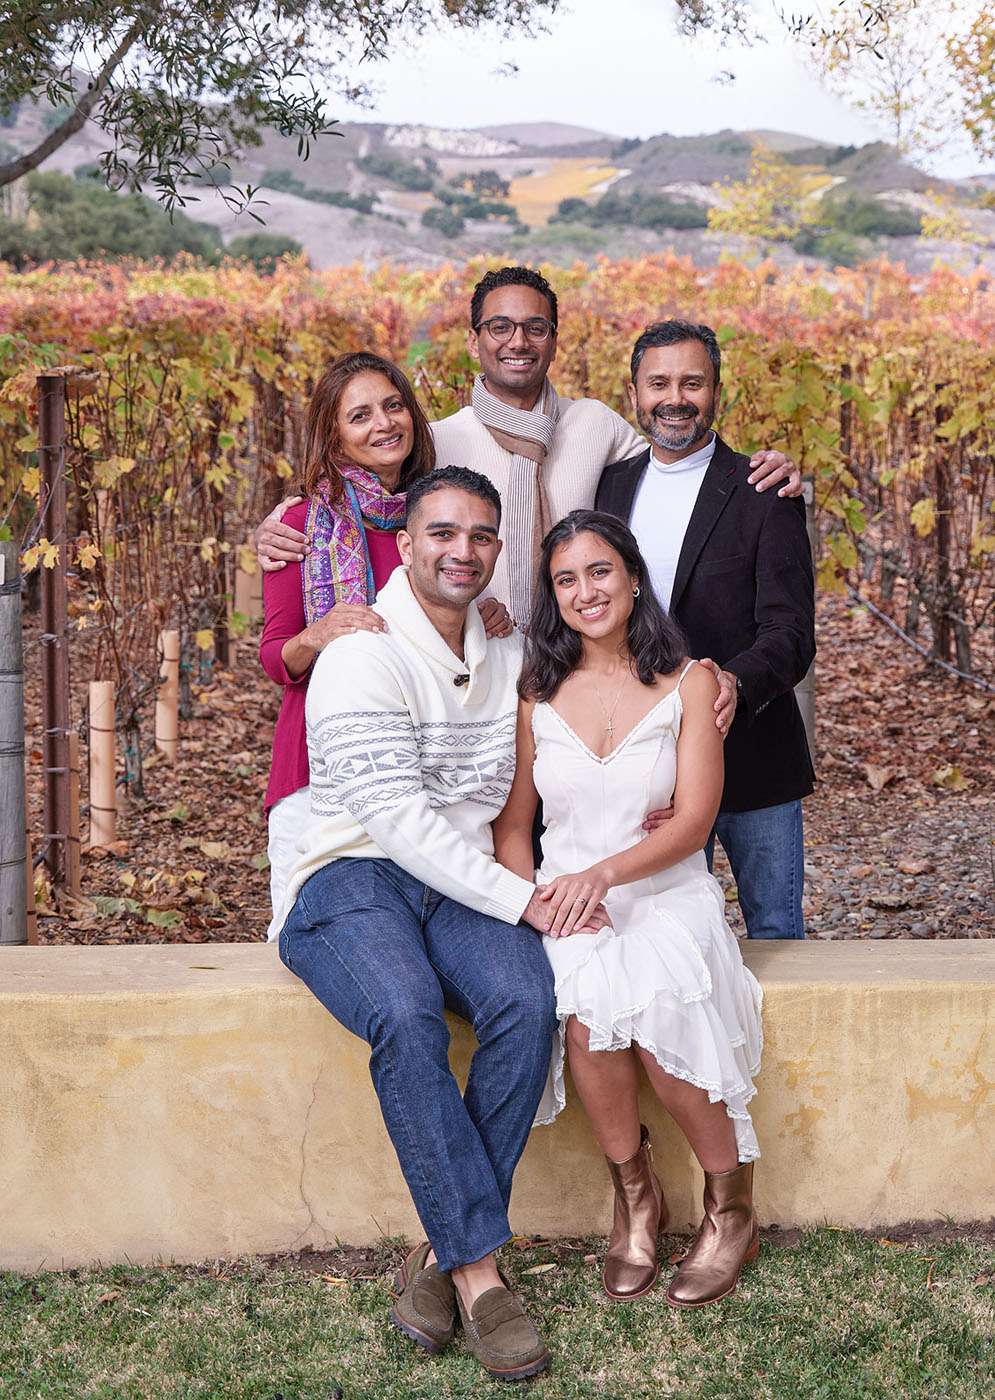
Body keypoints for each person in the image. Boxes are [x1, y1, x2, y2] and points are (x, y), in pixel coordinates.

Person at [275, 467, 602, 1380]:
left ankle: (436, 1254)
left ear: (498, 552)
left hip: (457, 885)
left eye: (481, 537)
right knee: (408, 1013)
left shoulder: (504, 648)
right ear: (408, 542)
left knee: (521, 1001)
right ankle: (480, 1276)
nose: (462, 551)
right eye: (443, 534)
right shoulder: (361, 653)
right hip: (347, 881)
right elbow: (398, 823)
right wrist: (522, 899)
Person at [493, 510, 764, 1309]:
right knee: (587, 1022)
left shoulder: (691, 683)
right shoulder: (534, 692)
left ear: (633, 576)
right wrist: (539, 902)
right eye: (566, 579)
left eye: (599, 571)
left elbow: (692, 822)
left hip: (664, 889)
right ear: (551, 596)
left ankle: (730, 1208)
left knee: (654, 1015)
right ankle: (637, 1200)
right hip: (567, 900)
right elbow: (514, 828)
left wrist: (605, 876)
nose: (585, 591)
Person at [255, 267, 803, 641]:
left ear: (553, 341)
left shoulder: (597, 424)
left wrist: (767, 464)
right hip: (478, 659)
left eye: (535, 327)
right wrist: (281, 520)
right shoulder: (436, 443)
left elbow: (682, 460)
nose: (518, 341)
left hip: (580, 662)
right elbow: (361, 502)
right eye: (500, 327)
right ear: (475, 341)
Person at [259, 351, 510, 920]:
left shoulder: (442, 519)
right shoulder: (301, 525)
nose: (383, 424)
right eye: (361, 415)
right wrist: (318, 634)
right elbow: (276, 657)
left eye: (393, 406)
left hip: (431, 763)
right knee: (328, 943)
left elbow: (449, 611)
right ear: (334, 435)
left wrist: (481, 616)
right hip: (317, 764)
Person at [596, 321, 816, 938]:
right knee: (665, 936)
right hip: (648, 763)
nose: (676, 398)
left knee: (776, 932)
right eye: (659, 382)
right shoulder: (609, 487)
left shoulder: (764, 490)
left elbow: (791, 631)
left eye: (693, 383)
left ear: (717, 390)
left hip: (751, 754)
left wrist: (735, 684)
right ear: (635, 391)